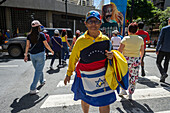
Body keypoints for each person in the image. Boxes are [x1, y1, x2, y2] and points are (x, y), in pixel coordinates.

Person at [64, 10, 128, 113]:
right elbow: (73, 58)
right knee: (85, 98)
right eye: (90, 21)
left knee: (104, 100)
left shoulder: (106, 39)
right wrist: (68, 74)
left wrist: (111, 56)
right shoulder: (80, 41)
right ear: (85, 23)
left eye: (96, 21)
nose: (93, 24)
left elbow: (110, 56)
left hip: (103, 75)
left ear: (100, 23)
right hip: (84, 76)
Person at [24, 20, 54, 95]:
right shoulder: (41, 35)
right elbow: (46, 45)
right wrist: (51, 51)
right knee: (38, 71)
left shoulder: (29, 35)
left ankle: (42, 81)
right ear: (38, 27)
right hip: (40, 54)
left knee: (38, 70)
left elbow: (27, 46)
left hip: (32, 55)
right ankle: (32, 88)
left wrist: (25, 55)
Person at [118, 22, 144, 100]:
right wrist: (140, 58)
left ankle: (123, 90)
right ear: (137, 30)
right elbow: (142, 51)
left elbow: (119, 50)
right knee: (133, 76)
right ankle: (130, 94)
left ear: (128, 30)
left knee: (124, 75)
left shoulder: (125, 39)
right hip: (136, 59)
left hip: (126, 60)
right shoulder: (140, 39)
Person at [156, 18, 170, 82]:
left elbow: (160, 39)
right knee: (166, 63)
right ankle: (163, 77)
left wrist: (157, 48)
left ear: (169, 21)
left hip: (163, 48)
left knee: (158, 62)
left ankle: (163, 74)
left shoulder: (164, 29)